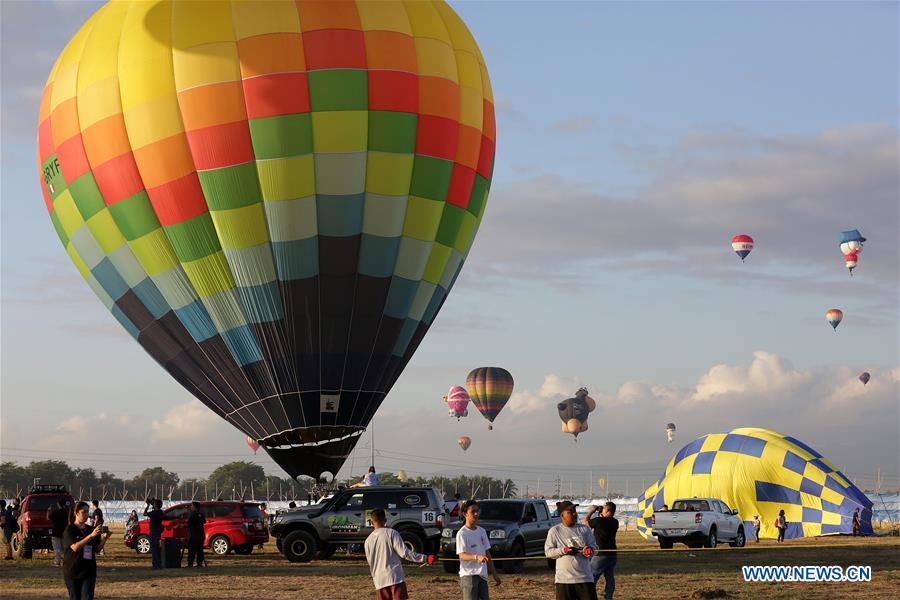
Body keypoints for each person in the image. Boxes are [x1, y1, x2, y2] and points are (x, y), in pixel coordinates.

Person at [364, 508, 435, 599]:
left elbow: (370, 562)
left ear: (371, 521)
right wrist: (425, 558)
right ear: (385, 520)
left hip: (379, 580)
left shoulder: (368, 541)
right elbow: (405, 553)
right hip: (395, 577)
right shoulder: (392, 533)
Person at [545, 501, 599, 600]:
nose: (574, 514)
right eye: (570, 512)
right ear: (562, 515)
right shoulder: (554, 531)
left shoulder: (584, 529)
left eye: (575, 511)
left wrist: (589, 550)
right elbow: (548, 552)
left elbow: (595, 548)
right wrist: (564, 550)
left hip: (585, 579)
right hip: (564, 581)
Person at [62, 501, 112, 600]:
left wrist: (105, 539)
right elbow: (75, 547)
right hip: (73, 571)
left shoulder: (90, 529)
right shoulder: (70, 529)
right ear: (76, 513)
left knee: (87, 597)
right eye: (83, 512)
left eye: (88, 512)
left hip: (89, 570)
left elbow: (97, 549)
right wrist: (91, 536)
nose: (86, 515)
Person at [456, 500, 501, 600]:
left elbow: (487, 553)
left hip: (482, 576)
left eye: (477, 511)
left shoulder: (482, 531)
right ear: (465, 514)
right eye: (472, 512)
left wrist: (494, 574)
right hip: (469, 576)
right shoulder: (462, 533)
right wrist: (477, 557)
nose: (476, 514)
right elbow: (462, 555)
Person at [584, 502, 618, 600]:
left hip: (600, 554)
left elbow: (585, 522)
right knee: (609, 577)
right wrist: (600, 513)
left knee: (592, 577)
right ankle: (608, 597)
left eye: (603, 509)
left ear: (606, 511)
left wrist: (592, 511)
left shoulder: (599, 521)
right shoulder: (615, 522)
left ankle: (589, 596)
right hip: (612, 554)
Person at [49, 499, 70, 567]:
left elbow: (48, 518)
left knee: (57, 549)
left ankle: (57, 562)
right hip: (64, 533)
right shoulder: (67, 512)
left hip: (56, 532)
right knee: (64, 549)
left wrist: (48, 510)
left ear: (58, 504)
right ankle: (66, 562)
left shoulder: (56, 512)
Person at [144, 499, 164, 569]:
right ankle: (159, 564)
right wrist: (153, 504)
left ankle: (155, 565)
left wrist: (148, 505)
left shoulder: (154, 513)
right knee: (158, 549)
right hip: (158, 533)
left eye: (154, 503)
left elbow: (145, 513)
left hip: (153, 532)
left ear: (156, 505)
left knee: (154, 549)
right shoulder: (161, 512)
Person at [186, 501, 206, 568]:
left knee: (192, 550)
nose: (190, 507)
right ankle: (199, 563)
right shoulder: (201, 514)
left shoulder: (192, 514)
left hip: (193, 535)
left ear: (194, 507)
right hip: (201, 534)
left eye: (191, 506)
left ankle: (190, 563)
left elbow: (188, 522)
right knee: (200, 550)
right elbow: (204, 521)